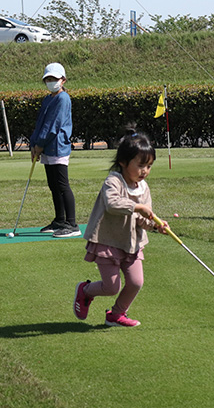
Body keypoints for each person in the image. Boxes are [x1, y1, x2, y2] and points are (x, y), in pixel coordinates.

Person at [73, 130, 167, 327]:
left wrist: (156, 226)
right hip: (108, 241)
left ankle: (116, 315)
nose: (145, 171)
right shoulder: (113, 181)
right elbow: (112, 204)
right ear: (123, 162)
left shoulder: (144, 188)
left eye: (149, 166)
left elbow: (143, 219)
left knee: (136, 282)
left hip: (131, 243)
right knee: (111, 287)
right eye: (141, 165)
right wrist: (137, 206)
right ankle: (85, 290)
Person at [30, 62, 80, 238]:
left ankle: (72, 224)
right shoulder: (48, 99)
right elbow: (40, 124)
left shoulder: (63, 98)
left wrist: (40, 144)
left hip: (57, 146)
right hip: (46, 148)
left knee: (62, 185)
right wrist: (33, 144)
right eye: (48, 79)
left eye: (54, 79)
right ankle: (59, 220)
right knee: (53, 185)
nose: (51, 82)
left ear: (63, 80)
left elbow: (53, 126)